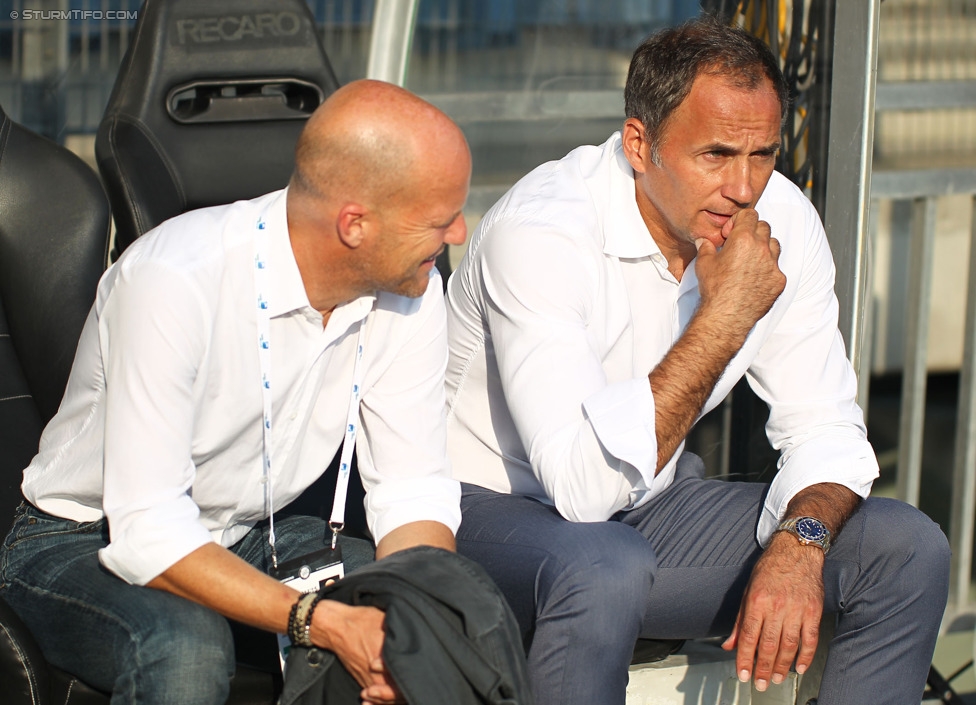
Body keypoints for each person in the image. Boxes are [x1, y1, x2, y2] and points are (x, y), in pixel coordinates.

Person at [443, 16, 950, 705]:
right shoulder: (542, 231)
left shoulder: (784, 221)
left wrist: (801, 542)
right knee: (602, 564)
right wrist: (725, 317)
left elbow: (827, 428)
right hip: (478, 515)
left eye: (763, 155)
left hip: (646, 512)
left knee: (905, 547)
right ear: (639, 145)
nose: (744, 188)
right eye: (716, 154)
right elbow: (583, 490)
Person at [0, 79, 472, 705]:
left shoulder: (413, 287)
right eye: (441, 219)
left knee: (425, 611)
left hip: (254, 530)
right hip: (82, 537)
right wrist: (317, 617)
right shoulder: (173, 280)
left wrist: (409, 618)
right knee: (185, 644)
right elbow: (151, 533)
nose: (461, 234)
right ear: (354, 224)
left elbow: (413, 489)